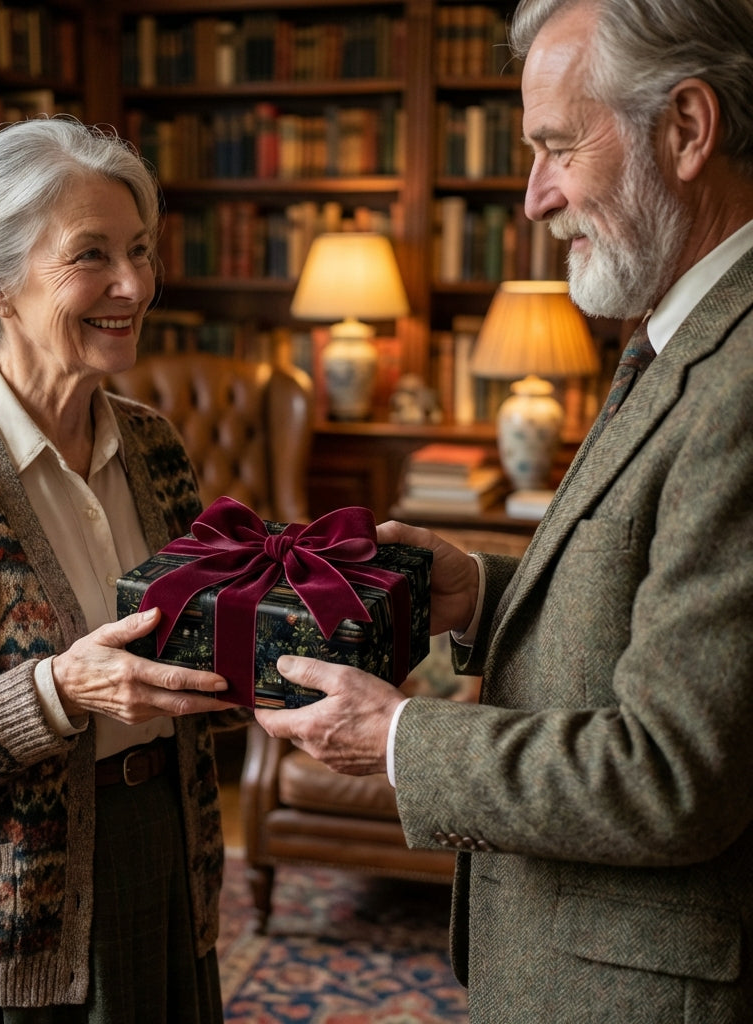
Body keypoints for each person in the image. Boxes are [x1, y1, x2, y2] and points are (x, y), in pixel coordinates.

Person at [255, 1, 753, 1020]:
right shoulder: (684, 326)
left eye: (557, 146)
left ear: (688, 128)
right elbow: (669, 606)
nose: (532, 199)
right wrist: (480, 589)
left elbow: (668, 773)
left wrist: (399, 739)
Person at [0, 117, 244, 1023]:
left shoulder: (154, 445)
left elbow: (191, 647)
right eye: (91, 255)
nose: (134, 286)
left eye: (139, 250)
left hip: (165, 861)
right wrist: (59, 691)